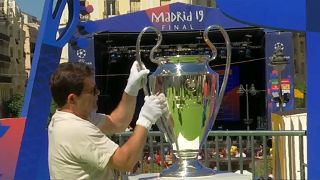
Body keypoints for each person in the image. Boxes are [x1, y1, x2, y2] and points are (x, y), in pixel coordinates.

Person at [48, 61, 167, 180]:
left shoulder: (70, 118)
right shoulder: (75, 129)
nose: (98, 93)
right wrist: (145, 120)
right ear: (72, 99)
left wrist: (131, 89)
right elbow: (125, 162)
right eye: (92, 91)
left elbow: (117, 123)